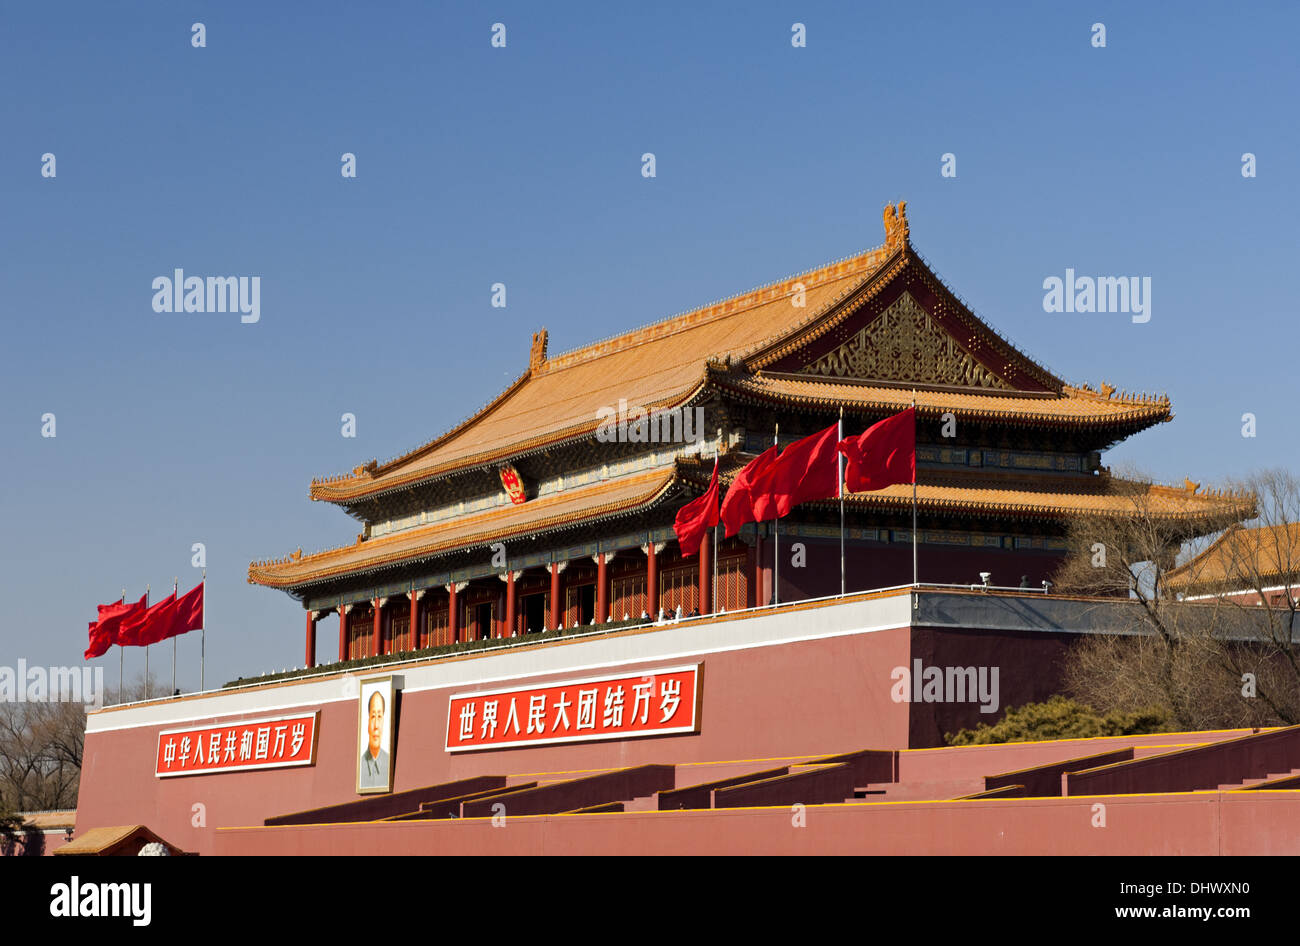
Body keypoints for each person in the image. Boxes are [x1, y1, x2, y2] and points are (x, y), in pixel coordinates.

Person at [358, 690, 390, 790]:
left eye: (379, 716)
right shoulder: (360, 764)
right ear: (367, 721)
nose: (376, 725)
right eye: (373, 716)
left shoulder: (388, 761)